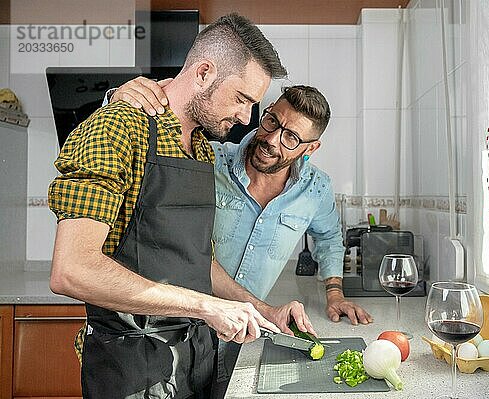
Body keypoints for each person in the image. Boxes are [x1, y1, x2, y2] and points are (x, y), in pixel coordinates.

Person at [48, 14, 315, 399]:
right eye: (242, 99)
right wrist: (205, 306)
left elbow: (197, 262)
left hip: (193, 358)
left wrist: (264, 310)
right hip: (132, 367)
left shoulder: (203, 149)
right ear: (204, 72)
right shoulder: (119, 127)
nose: (246, 118)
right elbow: (73, 270)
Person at [106, 80, 374, 392]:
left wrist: (334, 294)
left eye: (291, 137)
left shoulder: (316, 188)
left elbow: (329, 239)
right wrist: (116, 99)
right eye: (272, 121)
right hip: (179, 325)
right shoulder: (209, 159)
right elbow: (148, 148)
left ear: (310, 148)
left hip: (244, 330)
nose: (271, 139)